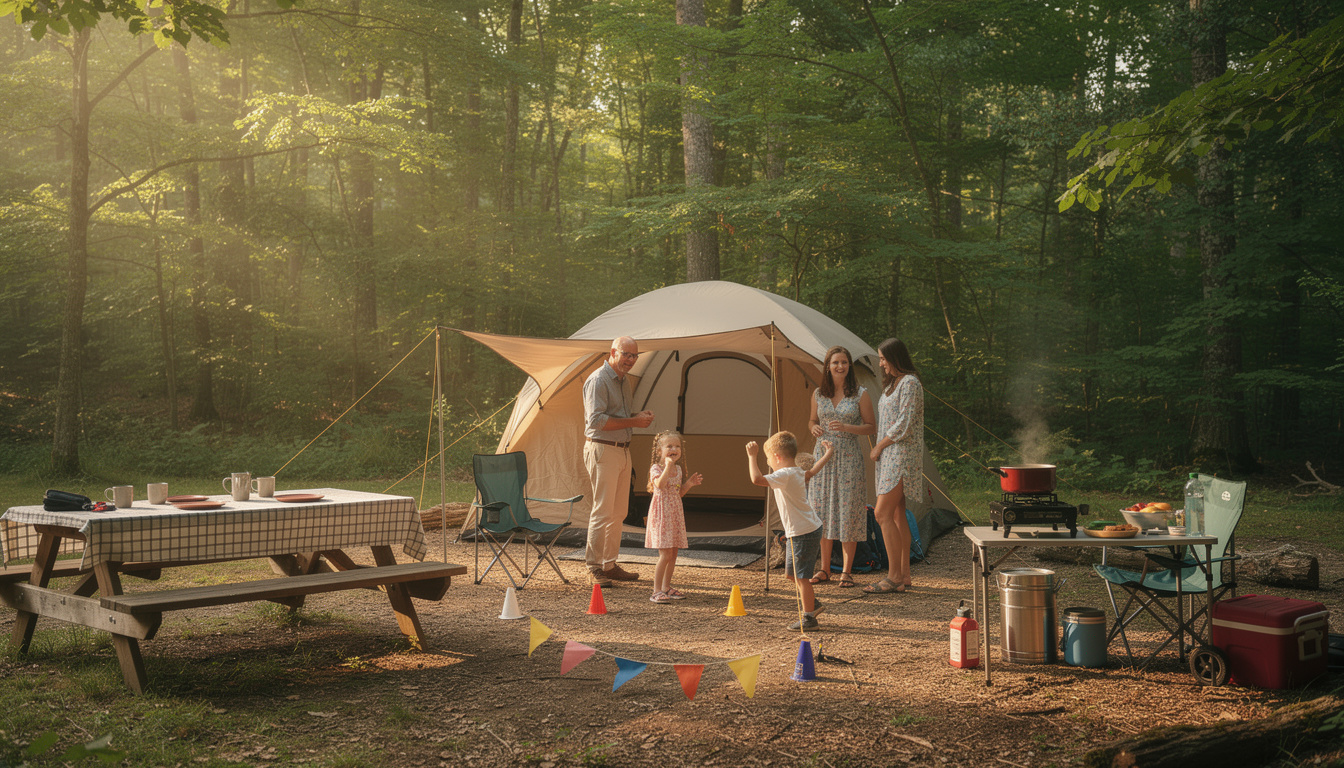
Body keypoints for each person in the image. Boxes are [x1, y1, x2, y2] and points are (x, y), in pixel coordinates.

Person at [583, 336, 655, 587]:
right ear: (613, 352)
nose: (631, 360)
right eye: (626, 354)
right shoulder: (598, 380)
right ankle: (594, 567)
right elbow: (596, 421)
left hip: (623, 450)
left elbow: (617, 417)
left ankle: (609, 564)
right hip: (603, 449)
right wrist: (634, 422)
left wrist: (637, 416)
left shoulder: (624, 382)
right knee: (603, 511)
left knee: (619, 512)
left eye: (634, 356)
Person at [746, 432, 833, 630]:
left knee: (802, 577)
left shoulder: (784, 475)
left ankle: (809, 618)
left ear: (777, 456)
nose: (768, 463)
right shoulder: (796, 472)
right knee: (792, 575)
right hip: (804, 530)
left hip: (804, 532)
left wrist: (752, 456)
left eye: (768, 459)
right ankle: (814, 605)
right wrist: (828, 453)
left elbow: (756, 479)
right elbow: (813, 471)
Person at [806, 345, 876, 589]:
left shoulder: (860, 394)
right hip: (822, 458)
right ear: (827, 366)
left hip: (848, 458)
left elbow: (871, 427)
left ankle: (846, 571)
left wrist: (848, 428)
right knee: (822, 511)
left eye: (844, 362)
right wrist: (812, 427)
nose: (840, 366)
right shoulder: (818, 394)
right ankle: (824, 568)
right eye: (835, 362)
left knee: (848, 512)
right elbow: (812, 420)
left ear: (849, 366)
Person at [864, 338, 924, 594]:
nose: (881, 363)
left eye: (883, 358)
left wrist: (879, 446)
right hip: (890, 455)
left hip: (900, 454)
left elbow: (905, 423)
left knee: (882, 514)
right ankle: (904, 576)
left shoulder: (910, 383)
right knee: (898, 515)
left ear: (895, 357)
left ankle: (893, 576)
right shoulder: (893, 385)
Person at [645, 430, 703, 603]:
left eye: (677, 446)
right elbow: (661, 485)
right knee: (665, 554)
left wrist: (689, 484)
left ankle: (666, 587)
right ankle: (656, 591)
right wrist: (668, 466)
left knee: (673, 554)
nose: (674, 449)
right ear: (659, 451)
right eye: (669, 446)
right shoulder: (656, 468)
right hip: (662, 516)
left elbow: (678, 493)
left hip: (675, 515)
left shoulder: (678, 469)